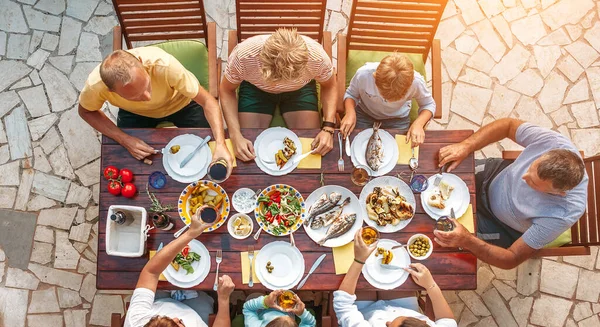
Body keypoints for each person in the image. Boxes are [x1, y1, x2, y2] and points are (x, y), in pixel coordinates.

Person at [434, 118, 588, 270]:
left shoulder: (562, 214)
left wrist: (467, 240)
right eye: (530, 168)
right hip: (492, 175)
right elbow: (507, 126)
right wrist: (466, 146)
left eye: (533, 183)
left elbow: (511, 259)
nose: (523, 178)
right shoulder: (555, 143)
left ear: (559, 193)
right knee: (436, 174)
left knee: (440, 232)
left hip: (497, 223)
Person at [79, 47, 233, 173]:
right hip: (136, 113)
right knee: (133, 163)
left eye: (146, 85)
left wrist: (221, 143)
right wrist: (124, 139)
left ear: (141, 62)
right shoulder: (96, 86)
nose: (147, 97)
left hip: (181, 104)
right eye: (135, 95)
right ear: (111, 91)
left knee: (210, 146)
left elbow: (208, 101)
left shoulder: (165, 65)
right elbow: (86, 111)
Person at [123, 212, 235, 327]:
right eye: (180, 324)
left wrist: (190, 233)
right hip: (195, 311)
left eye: (160, 318)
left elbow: (151, 271)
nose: (177, 318)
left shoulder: (135, 323)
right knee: (207, 298)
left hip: (161, 299)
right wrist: (224, 299)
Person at [333, 230, 456, 327]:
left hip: (363, 317)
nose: (388, 321)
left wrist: (359, 260)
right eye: (403, 319)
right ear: (425, 326)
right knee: (396, 277)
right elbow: (448, 321)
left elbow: (343, 304)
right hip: (399, 307)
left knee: (362, 279)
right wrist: (430, 285)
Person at [220, 28, 337, 161]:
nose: (277, 85)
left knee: (309, 150)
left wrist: (328, 128)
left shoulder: (318, 57)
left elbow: (330, 85)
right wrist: (235, 135)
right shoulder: (243, 56)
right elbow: (226, 90)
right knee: (248, 149)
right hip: (256, 90)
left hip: (299, 92)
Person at [339, 53, 436, 147]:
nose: (388, 101)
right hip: (365, 114)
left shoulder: (417, 82)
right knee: (354, 146)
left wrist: (419, 123)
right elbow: (351, 94)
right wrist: (349, 112)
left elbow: (429, 104)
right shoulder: (363, 74)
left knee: (400, 153)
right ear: (375, 76)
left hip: (398, 119)